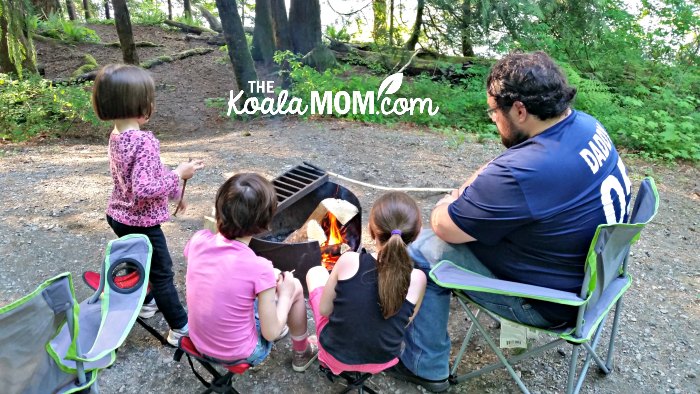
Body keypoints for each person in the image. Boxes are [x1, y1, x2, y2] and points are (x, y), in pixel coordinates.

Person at [387, 51, 633, 392]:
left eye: (494, 112)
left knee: (419, 247)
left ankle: (424, 366)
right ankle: (496, 334)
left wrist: (450, 198)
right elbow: (501, 173)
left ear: (519, 109)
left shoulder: (525, 172)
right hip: (598, 282)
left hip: (552, 302)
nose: (493, 120)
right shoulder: (587, 126)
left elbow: (445, 225)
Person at [92, 64, 204, 346]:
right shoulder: (143, 141)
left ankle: (147, 301)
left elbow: (144, 176)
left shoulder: (117, 135)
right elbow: (144, 188)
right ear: (143, 105)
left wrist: (175, 192)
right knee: (163, 272)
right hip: (140, 222)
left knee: (140, 260)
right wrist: (179, 174)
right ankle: (180, 327)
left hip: (118, 215)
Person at [184, 173, 318, 371]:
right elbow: (270, 333)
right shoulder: (259, 267)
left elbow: (220, 275)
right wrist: (286, 292)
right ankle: (302, 353)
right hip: (240, 354)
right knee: (295, 287)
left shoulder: (198, 240)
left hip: (198, 343)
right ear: (264, 222)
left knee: (256, 289)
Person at [305, 191, 427, 376]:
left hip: (335, 354)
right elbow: (405, 322)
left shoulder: (349, 260)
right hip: (383, 360)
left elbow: (325, 310)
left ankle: (312, 353)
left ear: (371, 231)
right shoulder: (418, 278)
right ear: (416, 234)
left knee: (315, 272)